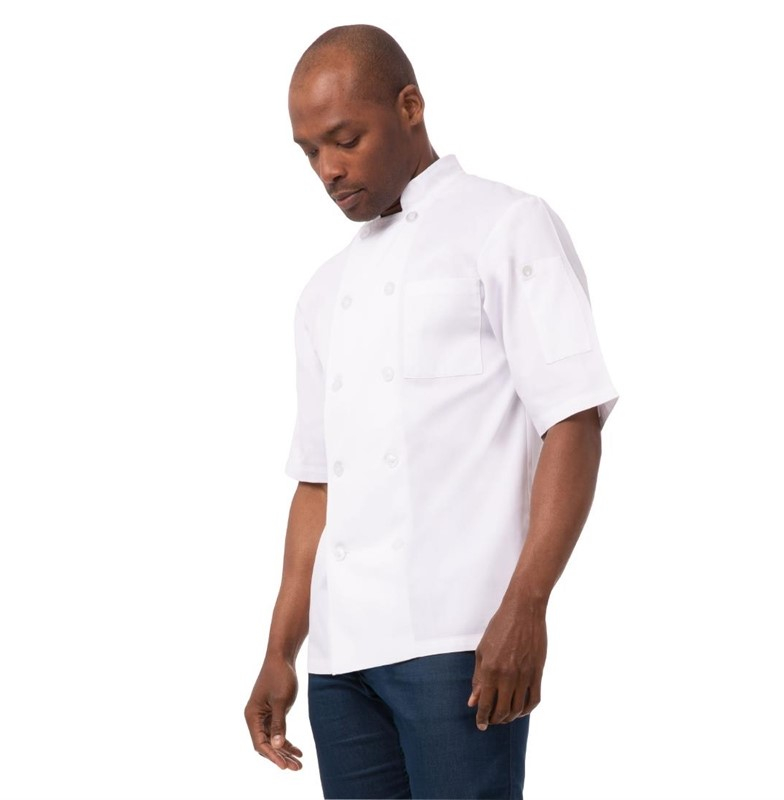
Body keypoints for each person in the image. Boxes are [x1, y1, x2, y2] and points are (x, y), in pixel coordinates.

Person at [245, 23, 619, 800]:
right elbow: (318, 484)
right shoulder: (321, 293)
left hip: (461, 639)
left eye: (345, 139)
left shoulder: (506, 225)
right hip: (343, 661)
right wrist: (282, 650)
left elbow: (572, 422)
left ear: (410, 107)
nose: (328, 169)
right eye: (309, 152)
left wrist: (527, 605)